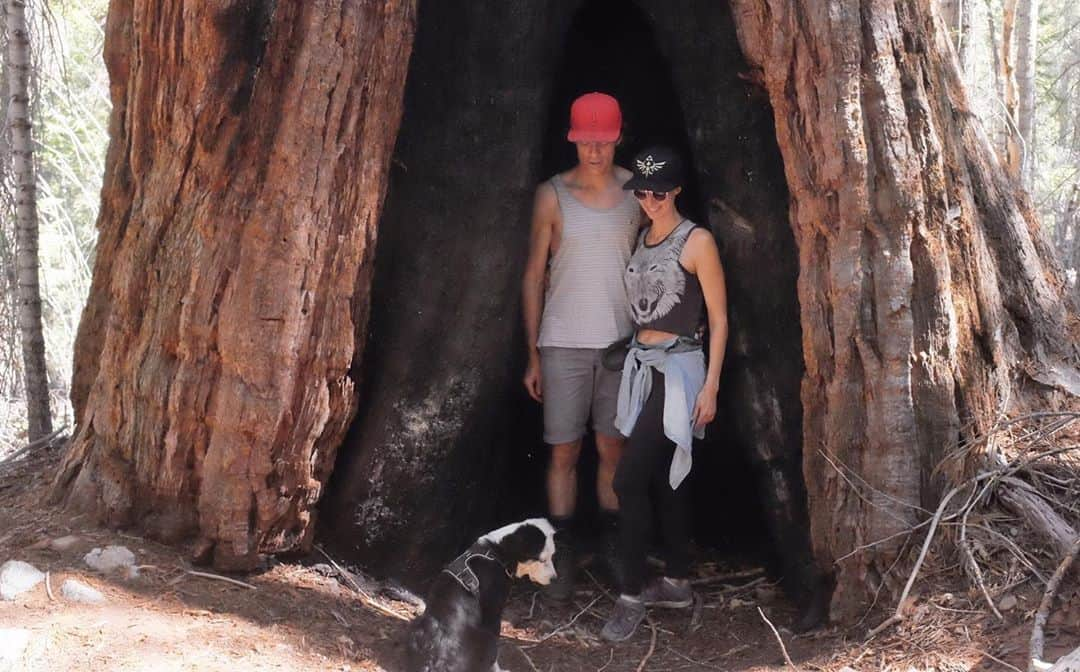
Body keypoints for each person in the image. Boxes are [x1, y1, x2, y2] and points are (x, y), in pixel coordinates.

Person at [600, 145, 728, 642]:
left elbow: (717, 318)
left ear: (676, 190)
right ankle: (677, 579)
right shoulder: (643, 236)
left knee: (628, 481)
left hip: (678, 371)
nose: (649, 200)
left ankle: (630, 594)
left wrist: (712, 385)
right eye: (642, 192)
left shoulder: (696, 241)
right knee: (667, 480)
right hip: (644, 365)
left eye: (658, 192)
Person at [521, 92, 642, 600]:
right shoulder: (552, 193)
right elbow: (533, 274)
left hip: (620, 343)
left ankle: (616, 550)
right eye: (585, 142)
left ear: (618, 136)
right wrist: (532, 353)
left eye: (604, 142)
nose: (594, 151)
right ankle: (561, 557)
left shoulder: (638, 191)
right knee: (564, 450)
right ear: (574, 140)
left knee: (613, 447)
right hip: (563, 342)